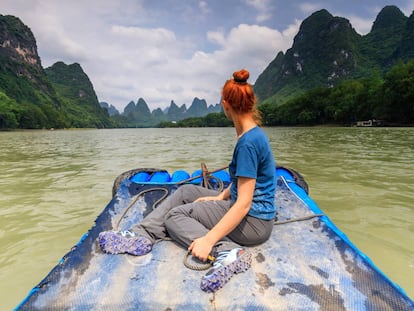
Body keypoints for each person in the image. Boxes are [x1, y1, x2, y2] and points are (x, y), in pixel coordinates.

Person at [98, 69, 276, 292]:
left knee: (175, 216)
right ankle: (142, 234)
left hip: (253, 222)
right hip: (253, 215)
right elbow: (245, 180)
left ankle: (227, 251)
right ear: (250, 101)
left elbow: (244, 204)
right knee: (187, 192)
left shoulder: (248, 143)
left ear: (225, 104)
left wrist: (208, 240)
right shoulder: (251, 134)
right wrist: (220, 196)